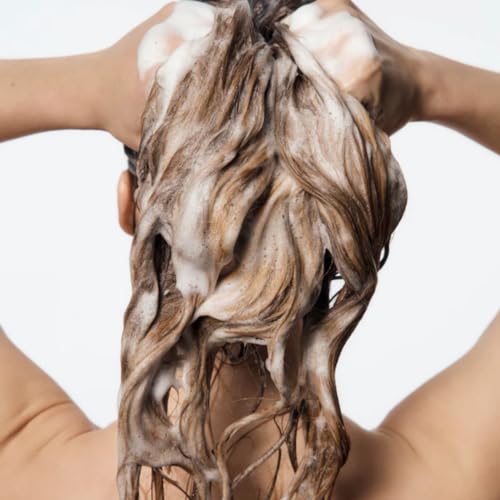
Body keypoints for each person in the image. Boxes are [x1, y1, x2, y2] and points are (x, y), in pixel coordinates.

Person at [0, 1, 498, 499]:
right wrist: (423, 82)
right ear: (358, 218)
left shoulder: (27, 463)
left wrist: (90, 84)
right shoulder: (445, 474)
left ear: (129, 206)